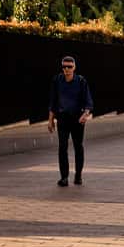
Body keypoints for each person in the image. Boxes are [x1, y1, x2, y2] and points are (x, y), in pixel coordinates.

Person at [48, 55, 93, 187]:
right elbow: (53, 101)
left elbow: (88, 102)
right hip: (62, 118)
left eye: (70, 67)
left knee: (78, 147)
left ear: (74, 67)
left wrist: (85, 114)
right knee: (62, 147)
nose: (67, 69)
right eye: (64, 67)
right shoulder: (57, 80)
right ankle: (64, 177)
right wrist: (50, 120)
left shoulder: (81, 81)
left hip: (78, 119)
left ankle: (78, 175)